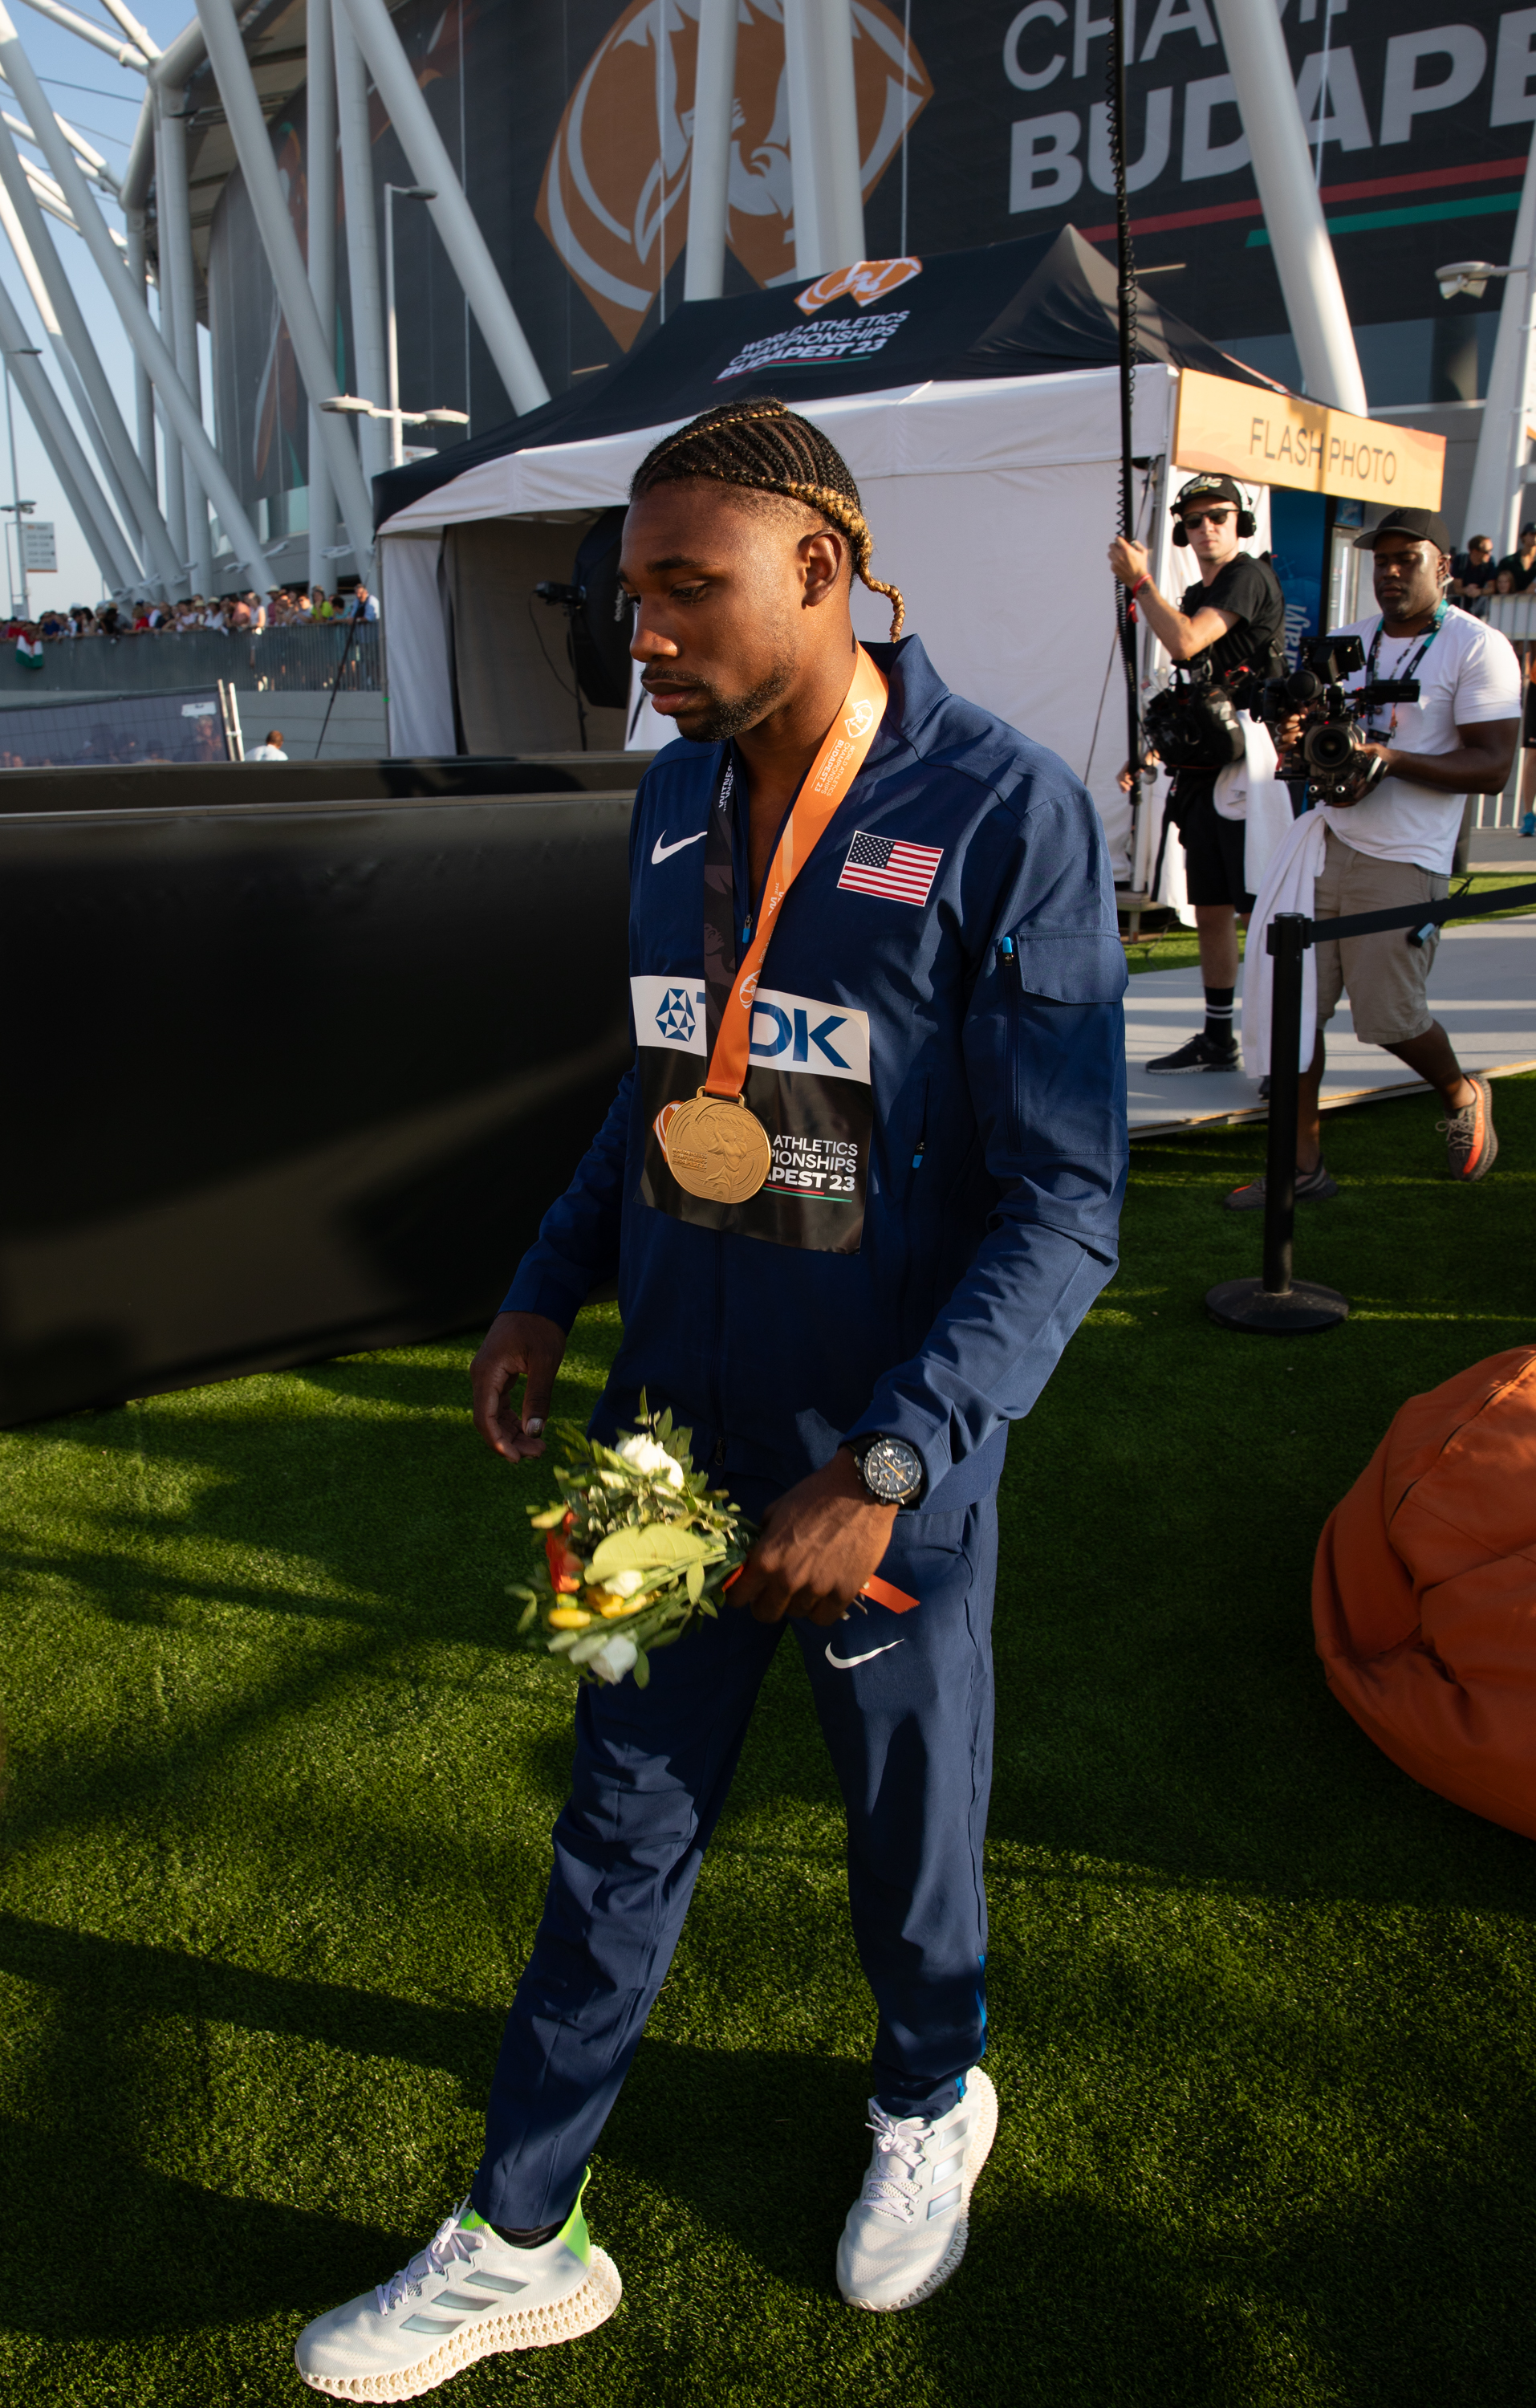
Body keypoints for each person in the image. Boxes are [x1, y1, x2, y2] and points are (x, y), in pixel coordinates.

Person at [294, 397, 1128, 2398]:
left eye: (688, 587)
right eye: (629, 592)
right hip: (657, 1440)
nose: (641, 632)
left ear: (823, 570)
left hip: (878, 1461)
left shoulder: (1006, 811)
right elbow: (670, 1078)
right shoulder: (668, 797)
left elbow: (1068, 1202)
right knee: (613, 1818)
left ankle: (930, 2089)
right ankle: (523, 2233)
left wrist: (893, 1457)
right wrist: (542, 1287)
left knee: (905, 1825)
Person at [1229, 507, 1519, 1207]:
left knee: (1390, 1016)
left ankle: (1460, 1092)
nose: (1389, 572)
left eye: (1405, 559)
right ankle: (1301, 1167)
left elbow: (1492, 767)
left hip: (1406, 852)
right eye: (1380, 560)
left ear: (1441, 566)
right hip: (1323, 841)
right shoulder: (1348, 642)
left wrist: (1389, 758)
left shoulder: (1478, 647)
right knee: (1295, 1012)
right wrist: (1296, 738)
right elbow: (1313, 743)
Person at [1109, 472, 1286, 1072]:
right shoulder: (1194, 594)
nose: (1207, 528)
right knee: (1210, 907)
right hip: (1206, 767)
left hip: (1251, 766)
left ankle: (1278, 1042)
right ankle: (1218, 1036)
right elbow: (1191, 686)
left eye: (1219, 517)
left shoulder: (1247, 576)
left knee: (1257, 909)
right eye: (1194, 521)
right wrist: (1151, 752)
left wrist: (1140, 582)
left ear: (1241, 523)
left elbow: (1185, 644)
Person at [1495, 523, 1536, 592]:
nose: (1535, 537)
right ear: (1523, 536)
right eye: (1532, 534)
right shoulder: (1508, 562)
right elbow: (1497, 585)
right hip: (1511, 598)